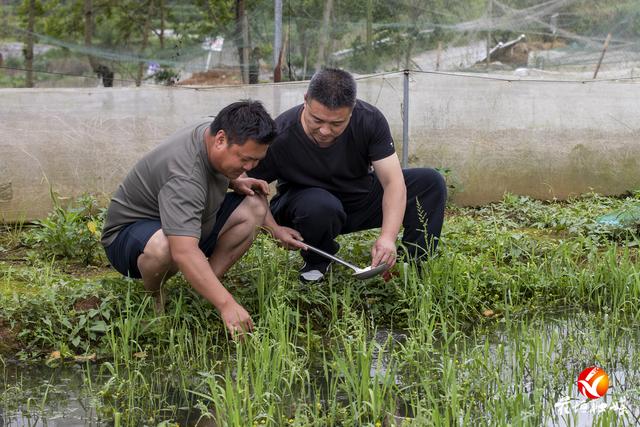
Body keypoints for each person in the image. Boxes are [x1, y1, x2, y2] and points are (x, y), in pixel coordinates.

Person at [101, 100, 282, 336]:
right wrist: (227, 305)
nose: (249, 166)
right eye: (244, 159)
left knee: (255, 206)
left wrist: (235, 180)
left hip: (193, 223)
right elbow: (183, 251)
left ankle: (203, 287)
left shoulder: (212, 127)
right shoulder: (184, 175)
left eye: (256, 161)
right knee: (165, 247)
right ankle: (154, 296)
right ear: (220, 139)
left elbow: (213, 165)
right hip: (130, 237)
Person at [250, 68, 447, 282]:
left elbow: (393, 182)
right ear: (306, 100)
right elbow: (249, 187)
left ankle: (415, 261)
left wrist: (387, 237)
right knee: (320, 205)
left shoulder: (369, 120)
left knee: (430, 182)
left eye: (336, 124)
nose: (325, 131)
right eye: (317, 120)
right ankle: (316, 261)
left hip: (356, 198)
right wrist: (274, 228)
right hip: (304, 209)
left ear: (351, 110)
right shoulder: (281, 134)